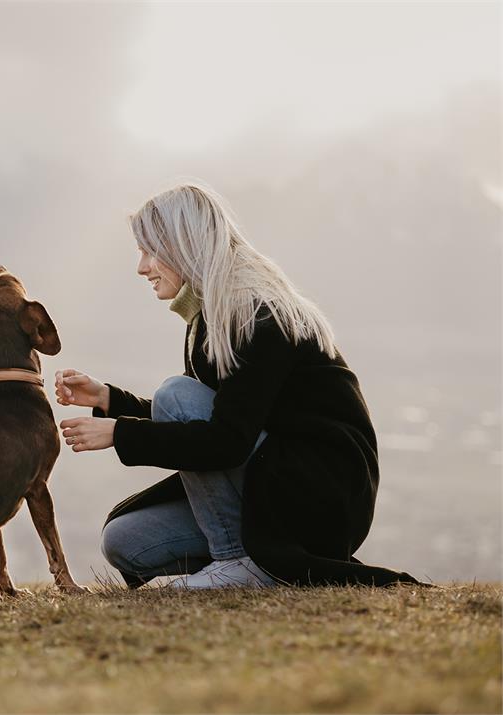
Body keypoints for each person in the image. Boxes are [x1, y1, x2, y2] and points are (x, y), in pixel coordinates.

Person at [54, 182, 423, 589]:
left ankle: (242, 563)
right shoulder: (210, 313)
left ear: (184, 245)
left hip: (316, 495)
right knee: (124, 542)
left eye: (149, 251)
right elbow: (218, 414)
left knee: (175, 392)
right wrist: (110, 399)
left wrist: (120, 434)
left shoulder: (256, 314)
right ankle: (248, 558)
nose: (141, 267)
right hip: (269, 483)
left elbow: (225, 440)